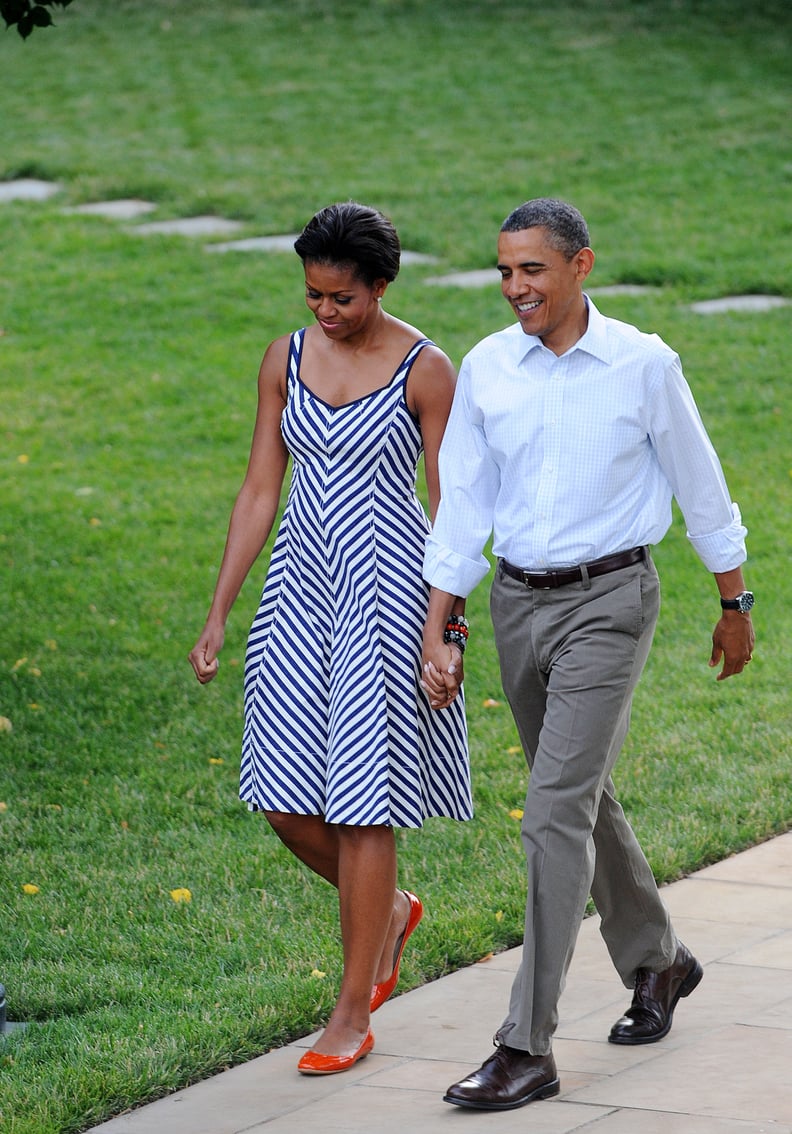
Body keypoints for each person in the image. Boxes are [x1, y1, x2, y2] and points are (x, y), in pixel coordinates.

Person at [421, 197, 755, 1110]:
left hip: (612, 599)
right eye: (503, 271)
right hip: (515, 605)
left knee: (551, 811)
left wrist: (734, 602)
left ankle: (526, 1043)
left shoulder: (644, 365)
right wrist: (439, 626)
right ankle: (659, 960)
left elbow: (702, 483)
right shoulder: (490, 368)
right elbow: (462, 506)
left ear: (580, 266)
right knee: (578, 792)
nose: (515, 287)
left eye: (531, 269)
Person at [189, 202, 471, 1076]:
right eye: (312, 294)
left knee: (362, 806)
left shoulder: (427, 372)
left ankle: (353, 1011)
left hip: (389, 605)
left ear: (380, 286)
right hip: (296, 596)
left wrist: (447, 629)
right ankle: (386, 914)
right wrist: (219, 610)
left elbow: (452, 511)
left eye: (341, 297)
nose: (324, 311)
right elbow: (258, 489)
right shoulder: (286, 357)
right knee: (281, 796)